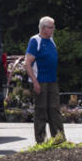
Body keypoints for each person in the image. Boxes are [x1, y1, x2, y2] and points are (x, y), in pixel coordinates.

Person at [24, 16, 64, 144]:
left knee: (54, 109)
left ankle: (58, 138)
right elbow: (27, 63)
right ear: (43, 28)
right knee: (41, 110)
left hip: (52, 80)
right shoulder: (35, 41)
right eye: (51, 27)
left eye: (53, 27)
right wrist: (35, 82)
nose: (53, 30)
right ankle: (41, 140)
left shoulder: (51, 40)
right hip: (40, 80)